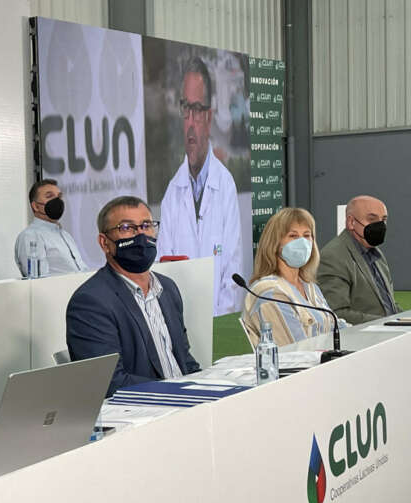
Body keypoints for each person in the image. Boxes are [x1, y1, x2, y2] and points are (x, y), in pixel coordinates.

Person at [66, 196, 200, 397]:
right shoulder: (91, 302)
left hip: (185, 407)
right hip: (144, 415)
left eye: (146, 225)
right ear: (104, 243)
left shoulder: (168, 288)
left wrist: (206, 386)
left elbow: (184, 359)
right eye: (127, 228)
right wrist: (178, 393)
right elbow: (109, 382)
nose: (140, 235)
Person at [157, 57, 243, 315]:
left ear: (209, 115)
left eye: (197, 109)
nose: (191, 122)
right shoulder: (173, 192)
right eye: (186, 108)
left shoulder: (224, 185)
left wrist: (219, 319)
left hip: (220, 318)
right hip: (181, 321)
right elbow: (163, 267)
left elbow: (233, 267)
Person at [242, 207, 342, 346]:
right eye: (293, 236)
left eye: (307, 235)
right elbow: (295, 349)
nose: (302, 242)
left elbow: (337, 327)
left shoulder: (310, 286)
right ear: (275, 243)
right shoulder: (268, 292)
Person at [317, 195, 398, 324]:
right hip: (362, 340)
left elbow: (388, 305)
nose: (380, 225)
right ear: (351, 222)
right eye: (372, 219)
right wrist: (388, 323)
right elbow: (337, 314)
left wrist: (402, 319)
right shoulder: (333, 256)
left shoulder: (377, 254)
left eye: (383, 220)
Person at [15, 178, 88, 277]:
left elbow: (82, 270)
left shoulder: (66, 235)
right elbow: (39, 280)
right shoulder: (31, 236)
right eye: (49, 196)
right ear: (35, 206)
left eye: (59, 196)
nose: (57, 200)